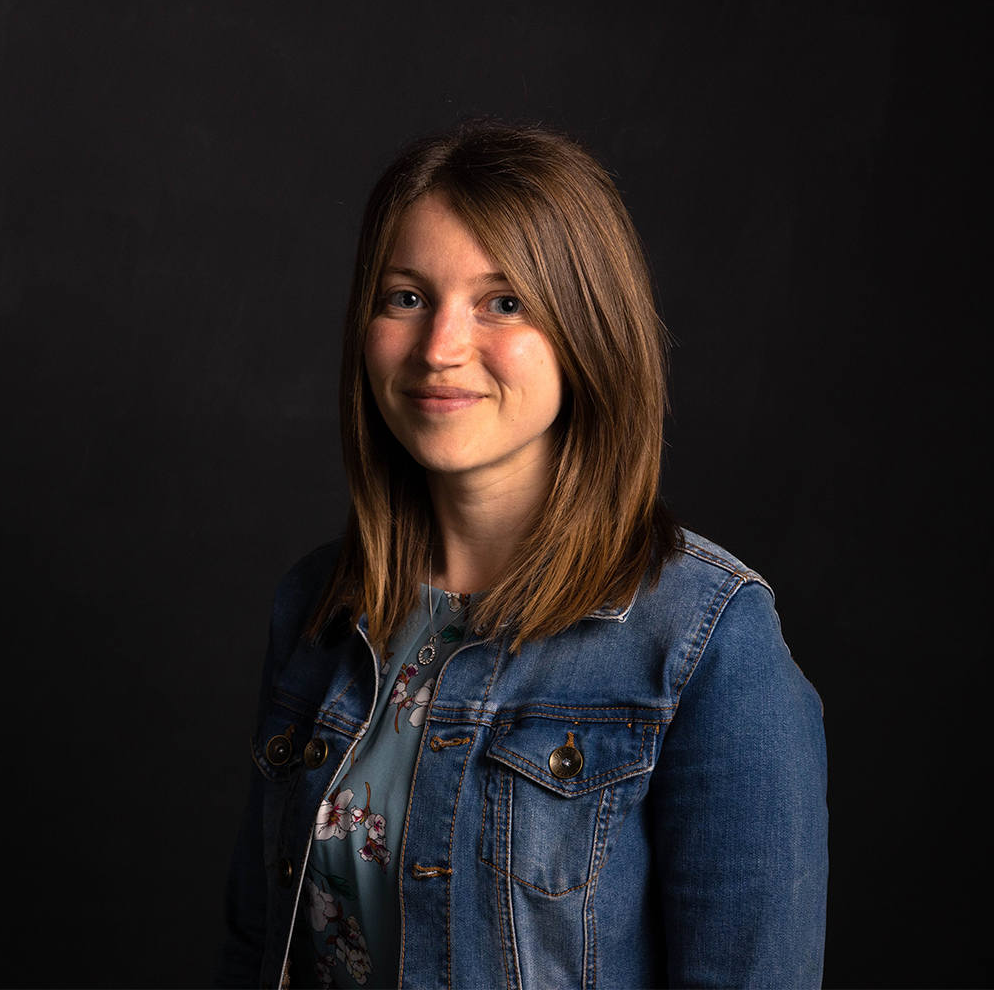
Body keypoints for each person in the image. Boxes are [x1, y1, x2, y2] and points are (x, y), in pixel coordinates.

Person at [215, 121, 828, 990]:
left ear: (588, 330)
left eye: (503, 303)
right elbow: (254, 948)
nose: (440, 348)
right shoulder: (319, 606)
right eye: (406, 297)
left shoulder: (706, 643)